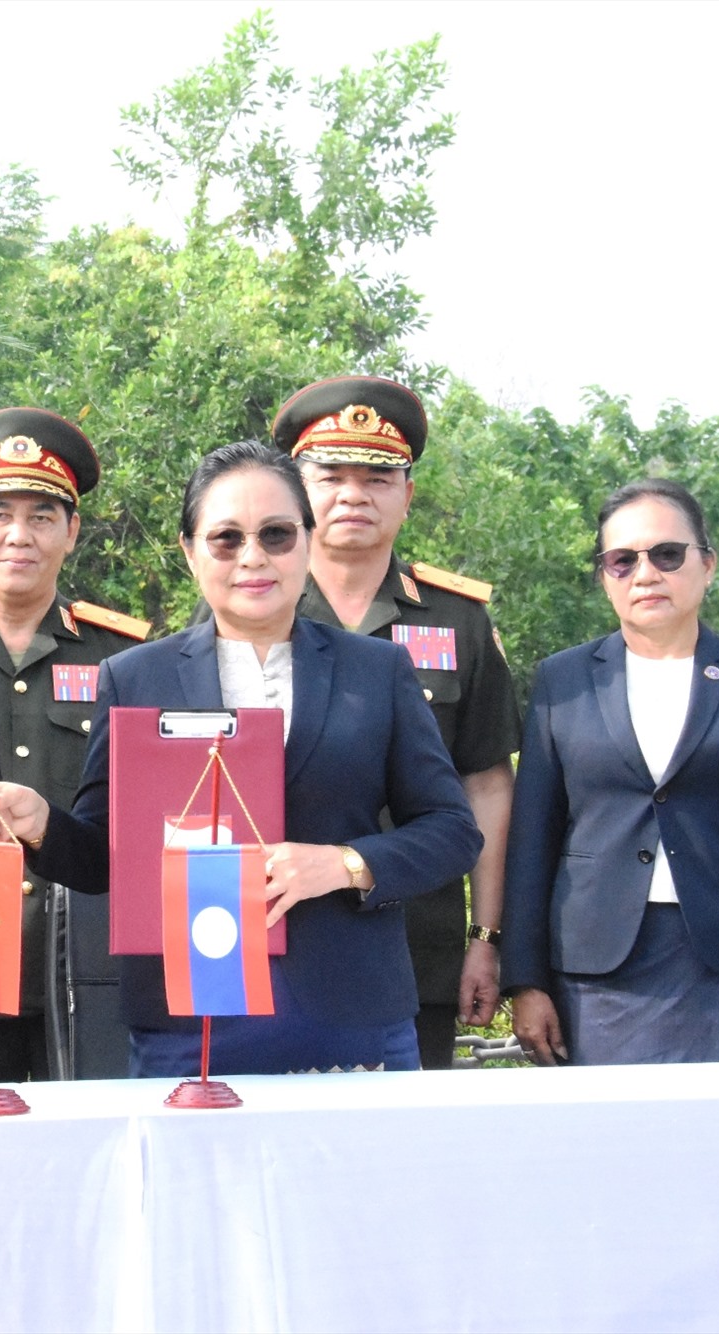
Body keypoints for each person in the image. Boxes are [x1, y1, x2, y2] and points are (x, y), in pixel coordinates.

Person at [0, 441, 481, 1076]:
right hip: (189, 1018)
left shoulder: (376, 671)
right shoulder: (135, 677)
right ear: (190, 551)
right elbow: (106, 859)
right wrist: (40, 823)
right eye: (226, 539)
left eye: (276, 535)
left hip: (348, 1007)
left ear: (307, 540)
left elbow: (452, 831)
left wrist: (346, 863)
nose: (253, 558)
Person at [501, 479, 719, 1065]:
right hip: (596, 966)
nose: (645, 575)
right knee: (609, 1148)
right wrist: (525, 980)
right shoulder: (563, 680)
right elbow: (532, 840)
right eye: (622, 561)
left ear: (707, 564)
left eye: (667, 555)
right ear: (604, 577)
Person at [276, 375, 519, 1070]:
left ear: (407, 496)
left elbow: (489, 786)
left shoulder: (458, 621)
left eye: (378, 478)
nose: (354, 494)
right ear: (297, 491)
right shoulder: (250, 609)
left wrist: (488, 935)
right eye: (331, 475)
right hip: (281, 935)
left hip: (422, 939)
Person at [0, 407, 148, 1081]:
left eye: (41, 516)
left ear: (72, 532)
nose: (18, 535)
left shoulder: (123, 658)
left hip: (84, 967)